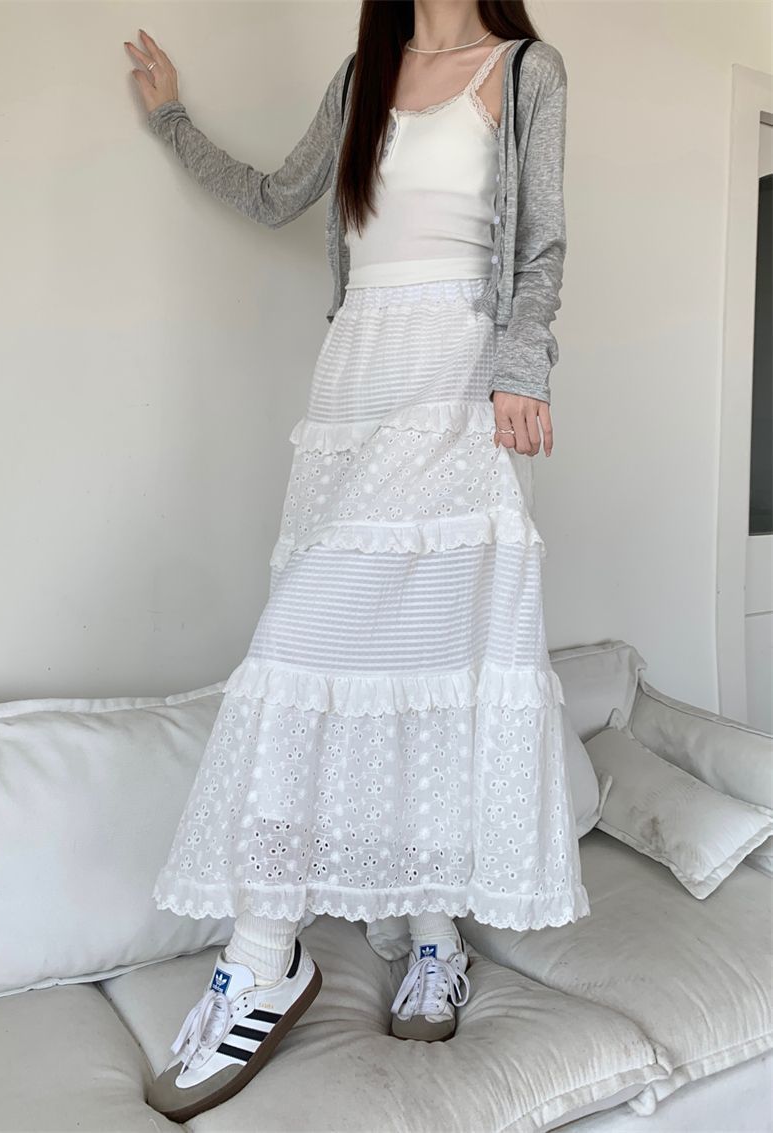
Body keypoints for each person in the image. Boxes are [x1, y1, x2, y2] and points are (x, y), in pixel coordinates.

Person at [126, 1, 589, 1122]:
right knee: (334, 662)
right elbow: (275, 195)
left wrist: (522, 368)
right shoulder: (360, 74)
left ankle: (316, 949)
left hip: (458, 381)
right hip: (354, 383)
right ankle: (352, 944)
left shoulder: (525, 69)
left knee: (411, 664)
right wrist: (174, 120)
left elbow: (539, 243)